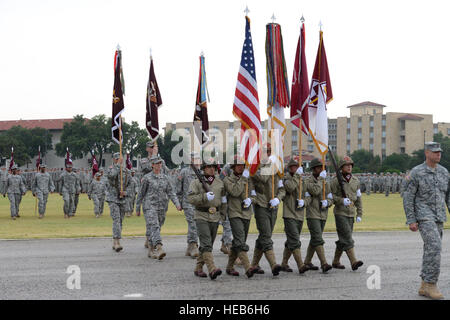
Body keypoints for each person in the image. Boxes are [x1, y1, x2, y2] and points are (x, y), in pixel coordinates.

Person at [403, 142, 450, 300]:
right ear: (427, 153)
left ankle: (424, 284)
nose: (438, 154)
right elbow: (408, 197)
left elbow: (448, 196)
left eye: (440, 152)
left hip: (439, 216)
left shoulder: (444, 172)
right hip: (423, 215)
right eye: (435, 152)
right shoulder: (416, 172)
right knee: (435, 246)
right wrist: (411, 219)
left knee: (430, 248)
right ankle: (431, 284)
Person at [187, 159, 227, 280]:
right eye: (208, 167)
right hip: (201, 215)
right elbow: (190, 198)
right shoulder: (196, 182)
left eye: (213, 167)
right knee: (205, 243)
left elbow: (224, 200)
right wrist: (204, 197)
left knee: (207, 245)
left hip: (215, 216)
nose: (211, 169)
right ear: (203, 169)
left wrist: (223, 215)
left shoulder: (220, 183)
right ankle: (212, 269)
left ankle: (198, 268)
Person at [249, 143, 285, 276]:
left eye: (270, 151)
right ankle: (274, 264)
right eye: (265, 152)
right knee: (265, 235)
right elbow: (263, 178)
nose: (268, 154)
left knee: (265, 236)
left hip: (273, 206)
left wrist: (278, 198)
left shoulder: (276, 168)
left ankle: (254, 265)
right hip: (261, 205)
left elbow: (282, 189)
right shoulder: (255, 168)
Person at [136, 156, 182, 259]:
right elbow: (141, 194)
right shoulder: (147, 178)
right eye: (156, 163)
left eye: (160, 163)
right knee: (155, 226)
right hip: (150, 206)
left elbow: (171, 192)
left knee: (157, 227)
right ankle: (159, 247)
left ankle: (151, 249)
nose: (159, 165)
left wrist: (177, 204)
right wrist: (138, 207)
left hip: (162, 207)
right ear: (152, 165)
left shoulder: (165, 178)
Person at [222, 156, 257, 278]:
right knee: (240, 240)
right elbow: (235, 192)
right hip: (234, 213)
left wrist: (250, 200)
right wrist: (243, 179)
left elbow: (254, 194)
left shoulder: (248, 179)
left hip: (246, 213)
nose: (241, 168)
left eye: (242, 165)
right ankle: (248, 268)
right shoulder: (228, 180)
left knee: (238, 242)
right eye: (238, 166)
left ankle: (229, 267)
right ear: (233, 167)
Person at [330, 156, 364, 271]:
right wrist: (341, 200)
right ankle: (353, 261)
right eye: (346, 165)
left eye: (351, 165)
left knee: (343, 239)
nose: (349, 167)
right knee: (348, 238)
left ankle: (335, 261)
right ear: (341, 167)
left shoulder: (356, 181)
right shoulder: (335, 181)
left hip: (351, 213)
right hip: (340, 213)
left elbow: (358, 199)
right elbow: (331, 196)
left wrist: (359, 214)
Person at [303, 158, 333, 273]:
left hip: (323, 214)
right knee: (318, 239)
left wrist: (328, 203)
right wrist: (321, 179)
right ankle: (324, 263)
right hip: (312, 214)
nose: (321, 169)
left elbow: (331, 197)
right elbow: (315, 191)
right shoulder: (308, 181)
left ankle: (307, 262)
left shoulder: (326, 182)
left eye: (323, 167)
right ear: (314, 169)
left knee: (315, 239)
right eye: (319, 167)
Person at [280, 157, 308, 274]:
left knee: (291, 241)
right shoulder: (285, 179)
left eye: (297, 166)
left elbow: (308, 195)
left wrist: (305, 202)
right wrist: (297, 176)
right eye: (293, 167)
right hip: (289, 214)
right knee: (295, 240)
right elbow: (290, 188)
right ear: (289, 168)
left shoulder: (302, 180)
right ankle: (301, 265)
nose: (295, 169)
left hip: (300, 214)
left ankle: (284, 263)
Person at [177, 152, 201, 258]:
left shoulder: (202, 173)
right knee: (193, 222)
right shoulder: (184, 172)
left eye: (198, 159)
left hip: (200, 203)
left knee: (197, 224)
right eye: (195, 159)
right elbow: (178, 189)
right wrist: (179, 202)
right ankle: (193, 245)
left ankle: (189, 247)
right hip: (188, 203)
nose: (197, 161)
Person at [106, 152, 131, 252]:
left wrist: (126, 192)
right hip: (113, 199)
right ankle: (117, 242)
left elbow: (131, 186)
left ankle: (115, 240)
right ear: (113, 160)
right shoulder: (111, 169)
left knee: (120, 221)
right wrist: (117, 166)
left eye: (119, 159)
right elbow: (111, 176)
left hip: (122, 199)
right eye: (116, 159)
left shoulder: (127, 172)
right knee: (116, 219)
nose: (118, 160)